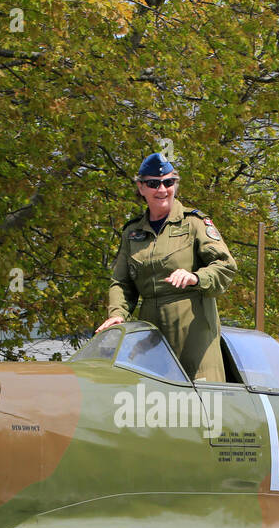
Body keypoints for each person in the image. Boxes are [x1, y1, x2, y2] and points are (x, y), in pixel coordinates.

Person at [99, 153, 238, 382]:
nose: (162, 189)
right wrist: (117, 314)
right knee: (152, 400)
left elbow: (225, 265)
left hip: (193, 330)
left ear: (175, 184)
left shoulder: (194, 223)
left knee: (200, 403)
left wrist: (195, 277)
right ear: (141, 188)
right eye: (153, 184)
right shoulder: (132, 233)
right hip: (151, 335)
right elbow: (121, 283)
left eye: (168, 182)